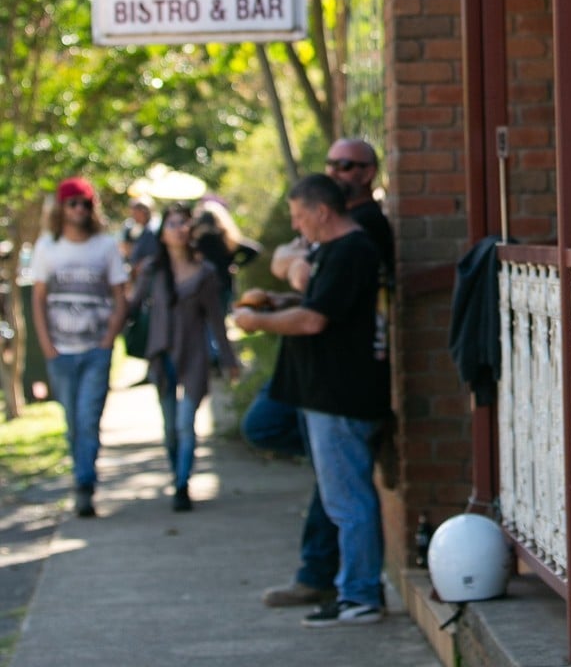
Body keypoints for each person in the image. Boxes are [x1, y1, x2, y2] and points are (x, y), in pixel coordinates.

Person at [234, 174, 391, 627]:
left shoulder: (352, 250)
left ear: (322, 211)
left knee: (348, 502)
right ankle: (353, 589)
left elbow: (313, 320)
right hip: (325, 395)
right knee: (342, 495)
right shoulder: (330, 251)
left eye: (300, 216)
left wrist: (256, 323)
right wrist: (277, 301)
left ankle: (360, 595)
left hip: (339, 396)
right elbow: (323, 302)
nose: (296, 225)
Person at [127, 203, 240, 511]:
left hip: (193, 355)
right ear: (163, 233)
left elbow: (216, 320)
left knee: (185, 424)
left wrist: (229, 359)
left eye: (183, 223)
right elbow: (132, 306)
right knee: (169, 428)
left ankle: (181, 484)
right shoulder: (152, 270)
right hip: (162, 354)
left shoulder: (204, 273)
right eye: (172, 224)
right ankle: (176, 470)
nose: (179, 229)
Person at [30, 177, 129, 518]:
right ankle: (81, 474)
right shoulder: (47, 247)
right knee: (72, 421)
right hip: (60, 351)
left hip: (95, 350)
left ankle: (85, 484)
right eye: (73, 203)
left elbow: (120, 296)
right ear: (61, 208)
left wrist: (108, 340)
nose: (79, 210)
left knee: (89, 418)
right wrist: (47, 346)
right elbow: (38, 298)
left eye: (86, 204)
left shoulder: (105, 246)